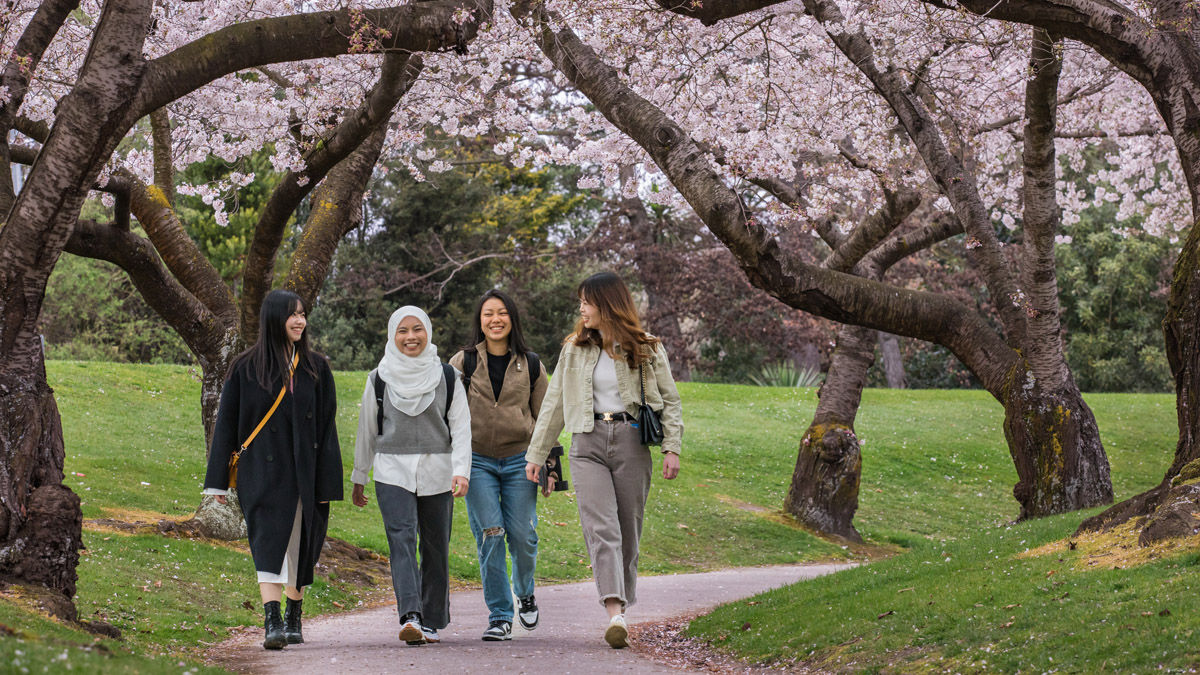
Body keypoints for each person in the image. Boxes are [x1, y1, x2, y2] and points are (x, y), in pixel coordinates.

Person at [524, 271, 683, 649]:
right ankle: (614, 612)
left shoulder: (646, 347)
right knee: (602, 529)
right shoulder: (574, 348)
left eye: (587, 302)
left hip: (631, 441)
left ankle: (622, 609)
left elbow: (671, 400)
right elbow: (554, 404)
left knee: (629, 529)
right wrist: (538, 452)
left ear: (607, 304)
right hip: (587, 443)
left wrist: (671, 447)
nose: (581, 309)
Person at [203, 289, 342, 650]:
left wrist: (329, 481)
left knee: (302, 542)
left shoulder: (316, 367)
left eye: (302, 314)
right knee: (267, 542)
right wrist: (216, 483)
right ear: (273, 319)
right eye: (292, 314)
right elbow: (226, 425)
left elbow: (328, 428)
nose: (299, 321)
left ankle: (295, 615)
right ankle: (272, 619)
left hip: (306, 472)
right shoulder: (245, 367)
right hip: (261, 473)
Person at [351, 306, 471, 646]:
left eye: (417, 329)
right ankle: (411, 615)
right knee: (400, 539)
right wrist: (360, 475)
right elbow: (367, 431)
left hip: (439, 472)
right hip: (392, 471)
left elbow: (462, 428)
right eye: (402, 330)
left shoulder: (448, 377)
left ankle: (431, 618)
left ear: (428, 333)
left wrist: (461, 471)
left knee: (436, 546)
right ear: (393, 336)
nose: (410, 337)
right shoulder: (379, 378)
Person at [449, 290, 549, 641]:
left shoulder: (532, 364)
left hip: (521, 460)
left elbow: (546, 417)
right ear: (480, 320)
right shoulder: (462, 363)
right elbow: (445, 413)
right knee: (490, 534)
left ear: (512, 319)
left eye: (502, 312)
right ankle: (500, 615)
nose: (495, 319)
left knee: (523, 535)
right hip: (475, 461)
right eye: (488, 313)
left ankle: (524, 592)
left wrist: (546, 462)